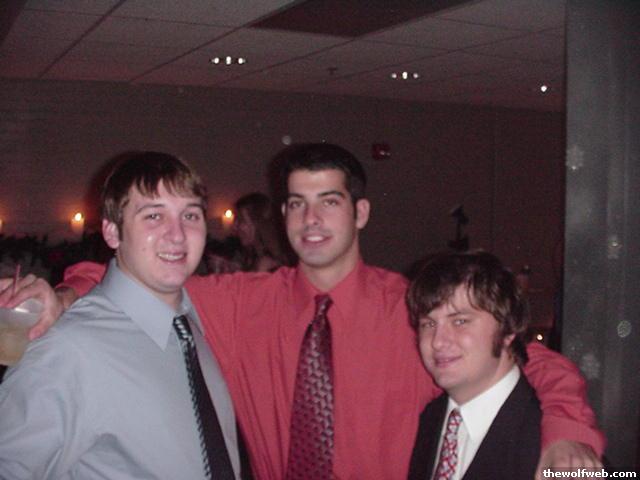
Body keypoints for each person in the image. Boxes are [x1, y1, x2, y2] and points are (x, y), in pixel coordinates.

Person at [4, 143, 604, 479]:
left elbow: (530, 362)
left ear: (360, 213)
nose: (311, 220)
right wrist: (68, 294)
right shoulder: (238, 303)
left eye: (329, 202)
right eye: (296, 203)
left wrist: (568, 439)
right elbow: (144, 279)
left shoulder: (417, 310)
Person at [0, 152, 242, 479]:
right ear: (112, 232)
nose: (177, 234)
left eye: (190, 215)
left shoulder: (193, 326)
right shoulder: (67, 350)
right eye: (154, 216)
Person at [406, 251, 542, 479]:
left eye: (460, 321)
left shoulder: (552, 444)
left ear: (508, 328)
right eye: (428, 324)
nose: (438, 341)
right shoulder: (427, 419)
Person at [232, 192, 289, 272]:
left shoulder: (268, 264)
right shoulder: (251, 257)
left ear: (259, 224)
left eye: (241, 220)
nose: (234, 227)